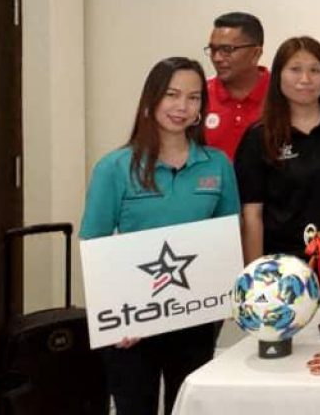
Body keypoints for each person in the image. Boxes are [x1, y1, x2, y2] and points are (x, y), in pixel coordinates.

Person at [80, 58, 240, 415]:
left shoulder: (217, 165)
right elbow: (95, 244)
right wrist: (118, 316)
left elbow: (226, 239)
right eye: (172, 94)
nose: (182, 106)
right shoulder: (114, 167)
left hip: (194, 316)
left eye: (194, 98)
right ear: (151, 99)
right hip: (132, 321)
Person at [236, 36, 320, 266]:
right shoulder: (259, 136)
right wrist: (256, 273)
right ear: (278, 75)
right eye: (295, 70)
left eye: (315, 70)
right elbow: (253, 214)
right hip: (283, 265)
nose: (305, 79)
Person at [203, 12, 269, 160]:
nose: (217, 58)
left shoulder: (282, 93)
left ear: (256, 54)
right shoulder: (199, 95)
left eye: (227, 50)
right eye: (213, 50)